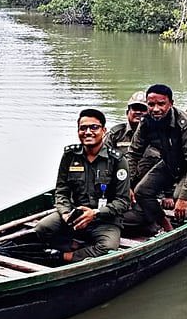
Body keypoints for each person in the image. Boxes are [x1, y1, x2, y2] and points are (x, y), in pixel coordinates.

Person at [34, 109, 131, 262]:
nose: (88, 132)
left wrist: (95, 213)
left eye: (94, 127)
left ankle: (67, 256)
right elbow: (61, 190)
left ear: (103, 131)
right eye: (83, 128)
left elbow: (123, 201)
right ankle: (71, 244)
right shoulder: (70, 156)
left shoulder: (117, 160)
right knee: (42, 228)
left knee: (109, 248)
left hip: (104, 220)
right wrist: (66, 213)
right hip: (74, 217)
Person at [127, 84, 187, 233]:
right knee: (142, 191)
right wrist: (129, 183)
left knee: (179, 195)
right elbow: (133, 154)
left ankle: (186, 226)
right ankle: (166, 227)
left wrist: (183, 198)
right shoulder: (146, 122)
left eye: (161, 104)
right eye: (151, 104)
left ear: (171, 103)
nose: (156, 109)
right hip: (171, 161)